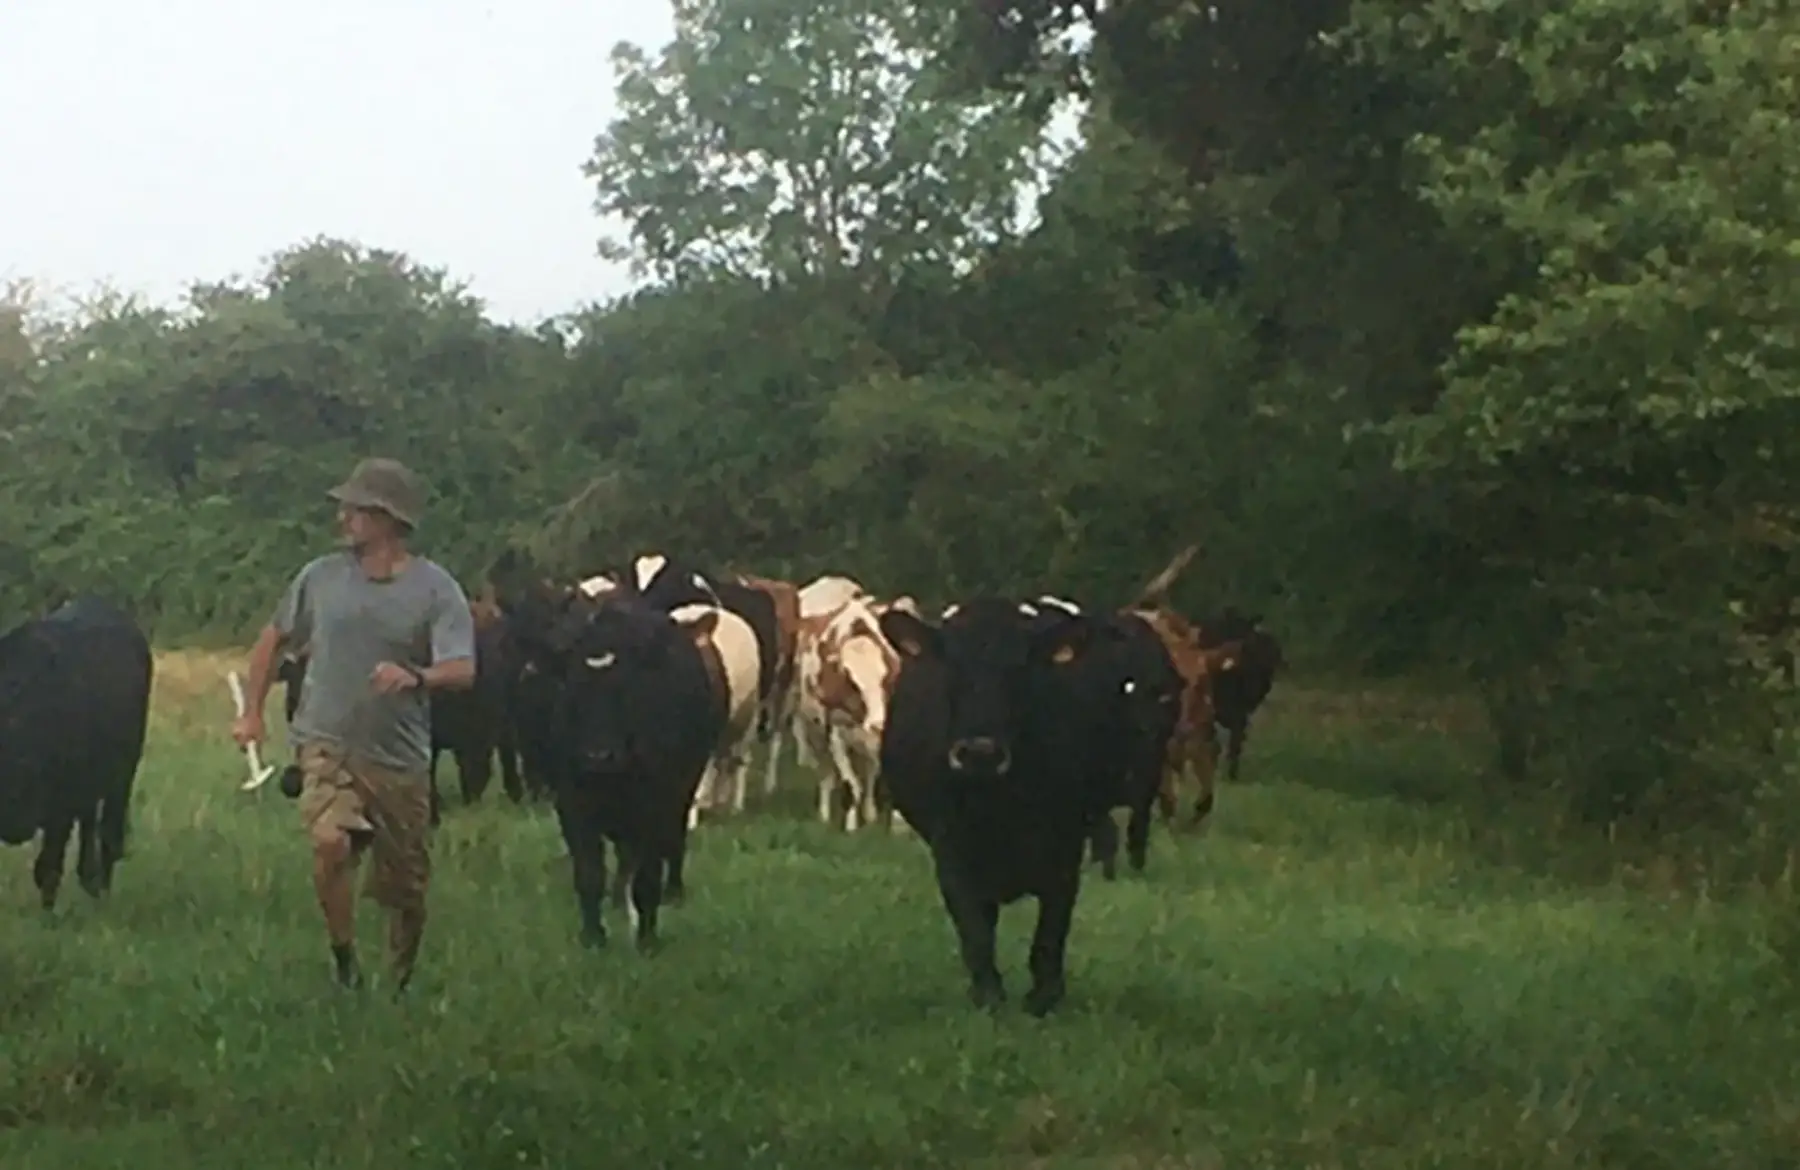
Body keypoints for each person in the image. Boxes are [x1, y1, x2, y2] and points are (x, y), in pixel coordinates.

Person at [231, 457, 476, 993]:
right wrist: (251, 711)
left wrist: (415, 676)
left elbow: (463, 668)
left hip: (399, 760)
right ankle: (346, 964)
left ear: (388, 519)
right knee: (329, 844)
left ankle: (399, 981)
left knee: (404, 890)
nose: (343, 517)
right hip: (326, 744)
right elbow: (274, 639)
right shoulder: (319, 578)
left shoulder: (436, 589)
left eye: (356, 509)